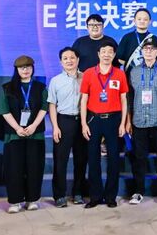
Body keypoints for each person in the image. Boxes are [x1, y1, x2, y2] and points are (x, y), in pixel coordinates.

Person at [126, 37, 157, 205]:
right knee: (139, 158)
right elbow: (129, 98)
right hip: (139, 121)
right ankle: (138, 191)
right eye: (145, 49)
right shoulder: (134, 72)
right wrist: (128, 120)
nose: (148, 51)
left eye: (152, 49)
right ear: (142, 51)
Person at [80, 40, 128, 208]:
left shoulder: (119, 74)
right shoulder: (88, 73)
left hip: (114, 120)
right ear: (98, 54)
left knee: (114, 159)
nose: (107, 54)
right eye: (104, 51)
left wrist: (123, 123)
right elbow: (84, 99)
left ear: (114, 55)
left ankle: (110, 197)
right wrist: (84, 124)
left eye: (110, 52)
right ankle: (95, 196)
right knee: (93, 159)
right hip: (93, 119)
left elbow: (124, 99)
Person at [0, 55, 48, 213]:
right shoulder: (7, 88)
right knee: (14, 168)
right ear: (17, 70)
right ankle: (15, 202)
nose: (25, 70)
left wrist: (33, 126)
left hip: (35, 133)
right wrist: (17, 128)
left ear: (33, 68)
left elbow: (44, 108)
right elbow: (4, 111)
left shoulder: (40, 87)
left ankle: (32, 199)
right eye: (22, 67)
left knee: (34, 167)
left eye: (28, 67)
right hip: (14, 134)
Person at [48, 47, 87, 207]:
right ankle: (59, 195)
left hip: (82, 121)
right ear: (61, 62)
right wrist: (55, 127)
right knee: (60, 160)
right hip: (63, 121)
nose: (69, 61)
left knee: (81, 160)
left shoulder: (86, 77)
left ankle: (78, 193)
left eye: (72, 57)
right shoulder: (55, 81)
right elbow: (52, 105)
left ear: (78, 60)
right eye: (65, 58)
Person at [117, 8, 157, 74]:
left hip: (150, 76)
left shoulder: (154, 39)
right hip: (130, 76)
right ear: (134, 21)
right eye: (139, 19)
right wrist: (131, 66)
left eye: (145, 19)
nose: (142, 21)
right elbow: (119, 59)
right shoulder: (127, 37)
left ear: (150, 22)